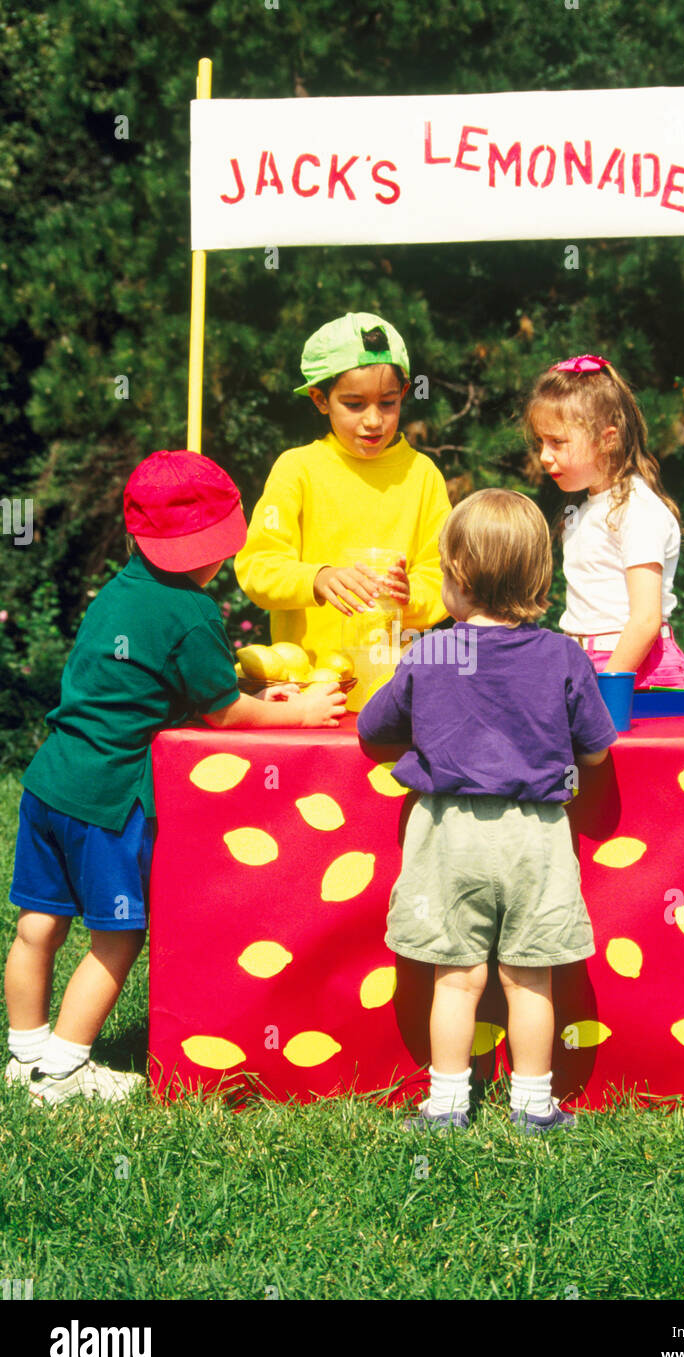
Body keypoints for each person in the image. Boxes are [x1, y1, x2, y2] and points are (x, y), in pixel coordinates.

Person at [4, 450, 345, 1107]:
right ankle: (66, 1071)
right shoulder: (191, 614)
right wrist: (299, 711)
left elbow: (147, 682)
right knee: (119, 934)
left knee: (37, 926)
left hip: (51, 779)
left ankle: (25, 1056)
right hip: (106, 795)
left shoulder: (120, 590)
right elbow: (223, 710)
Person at [357, 489, 618, 1135]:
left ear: (456, 579)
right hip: (535, 839)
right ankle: (533, 1105)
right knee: (531, 977)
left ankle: (446, 1103)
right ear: (538, 575)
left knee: (456, 976)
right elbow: (595, 752)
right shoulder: (563, 656)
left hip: (448, 836)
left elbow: (373, 729)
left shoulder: (432, 651)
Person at [235, 312, 452, 661]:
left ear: (404, 394)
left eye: (388, 402)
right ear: (320, 399)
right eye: (354, 404)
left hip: (392, 682)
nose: (373, 420)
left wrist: (412, 598)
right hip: (308, 686)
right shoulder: (297, 469)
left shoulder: (423, 475)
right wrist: (317, 578)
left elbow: (443, 576)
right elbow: (257, 566)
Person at [525, 354, 684, 689]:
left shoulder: (637, 511)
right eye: (541, 442)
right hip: (588, 662)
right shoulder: (585, 508)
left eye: (557, 442)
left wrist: (607, 686)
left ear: (608, 438)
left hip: (634, 668)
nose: (544, 456)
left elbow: (645, 620)